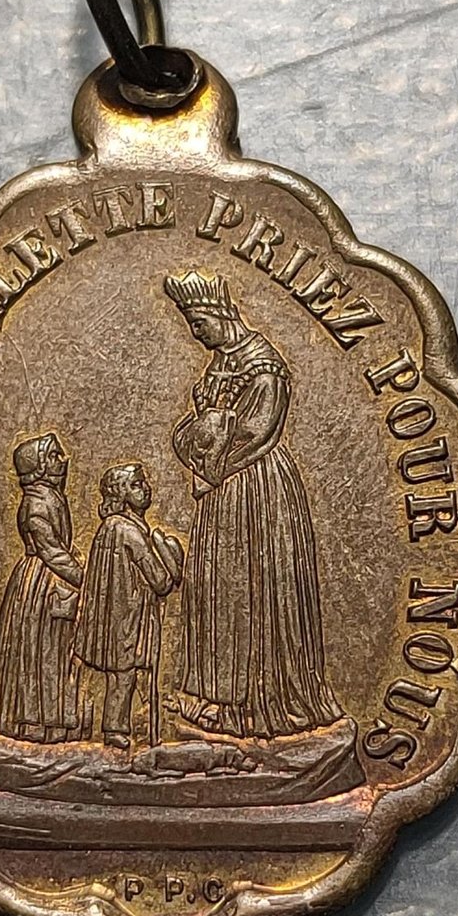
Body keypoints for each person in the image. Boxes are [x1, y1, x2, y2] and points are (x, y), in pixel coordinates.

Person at [164, 271, 342, 739]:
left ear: (221, 313)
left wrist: (207, 447)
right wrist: (200, 436)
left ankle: (262, 702)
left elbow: (255, 432)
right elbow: (199, 427)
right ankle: (217, 697)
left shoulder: (264, 367)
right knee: (219, 587)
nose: (196, 335)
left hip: (256, 488)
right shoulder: (221, 363)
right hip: (221, 492)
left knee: (254, 589)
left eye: (199, 324)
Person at [0, 432, 82, 743]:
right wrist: (87, 579)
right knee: (38, 652)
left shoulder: (51, 497)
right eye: (54, 456)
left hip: (52, 580)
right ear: (38, 466)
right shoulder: (36, 504)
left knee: (53, 652)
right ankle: (31, 723)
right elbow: (51, 552)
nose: (62, 460)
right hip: (39, 585)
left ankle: (51, 722)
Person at [72, 463, 183, 749]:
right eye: (136, 484)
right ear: (120, 494)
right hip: (129, 621)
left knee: (121, 677)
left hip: (114, 619)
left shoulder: (108, 528)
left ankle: (122, 729)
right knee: (125, 677)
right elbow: (160, 581)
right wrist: (172, 556)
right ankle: (118, 730)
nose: (145, 488)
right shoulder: (130, 532)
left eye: (144, 482)